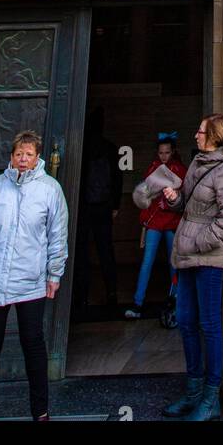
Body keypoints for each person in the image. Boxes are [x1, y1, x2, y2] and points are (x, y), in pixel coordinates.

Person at [0, 130, 68, 422]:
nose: (23, 159)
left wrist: (54, 274)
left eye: (29, 155)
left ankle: (40, 412)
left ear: (38, 158)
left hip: (30, 282)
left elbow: (57, 236)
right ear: (11, 157)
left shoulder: (50, 190)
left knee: (33, 342)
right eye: (19, 154)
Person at [161, 114, 223, 422]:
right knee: (187, 322)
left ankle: (210, 397)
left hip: (207, 258)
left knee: (209, 325)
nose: (196, 135)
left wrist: (198, 241)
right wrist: (175, 199)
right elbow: (189, 205)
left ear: (215, 136)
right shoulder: (199, 162)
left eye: (201, 131)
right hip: (187, 255)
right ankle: (192, 392)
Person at [125, 132, 187, 319]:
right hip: (155, 221)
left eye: (167, 152)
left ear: (173, 152)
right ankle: (138, 302)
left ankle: (175, 300)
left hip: (170, 222)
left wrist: (169, 202)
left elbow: (184, 196)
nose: (164, 156)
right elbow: (145, 194)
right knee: (147, 261)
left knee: (173, 263)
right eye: (161, 153)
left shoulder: (180, 169)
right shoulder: (153, 167)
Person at [73, 105, 122, 315]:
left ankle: (80, 297)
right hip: (103, 208)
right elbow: (117, 179)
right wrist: (116, 205)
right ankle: (112, 293)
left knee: (81, 252)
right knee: (105, 251)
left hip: (83, 208)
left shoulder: (81, 149)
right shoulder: (110, 148)